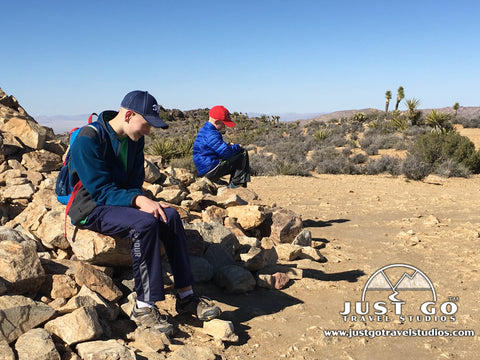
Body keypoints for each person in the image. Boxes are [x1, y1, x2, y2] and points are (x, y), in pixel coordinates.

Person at [68, 90, 221, 336]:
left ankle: (186, 296)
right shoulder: (89, 139)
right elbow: (99, 190)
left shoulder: (135, 140)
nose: (148, 131)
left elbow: (134, 182)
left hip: (118, 201)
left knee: (169, 216)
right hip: (91, 206)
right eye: (147, 124)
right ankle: (144, 306)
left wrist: (140, 199)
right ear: (128, 115)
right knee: (144, 225)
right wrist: (138, 200)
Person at [193, 105, 251, 188]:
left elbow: (217, 148)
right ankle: (237, 186)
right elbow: (225, 153)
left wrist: (227, 146)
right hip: (210, 168)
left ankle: (235, 184)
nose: (224, 126)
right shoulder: (212, 133)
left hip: (205, 168)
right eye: (224, 124)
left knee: (235, 155)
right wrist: (237, 146)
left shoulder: (205, 130)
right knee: (242, 153)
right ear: (216, 122)